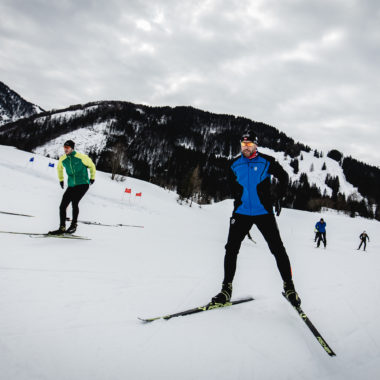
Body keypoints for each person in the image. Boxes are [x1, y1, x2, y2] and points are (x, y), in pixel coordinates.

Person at [210, 132, 301, 307]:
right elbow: (232, 186)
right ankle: (226, 289)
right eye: (243, 146)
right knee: (231, 249)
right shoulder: (234, 165)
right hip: (242, 213)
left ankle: (289, 287)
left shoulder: (266, 161)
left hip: (263, 213)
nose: (246, 149)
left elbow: (284, 177)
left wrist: (278, 197)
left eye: (249, 145)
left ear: (256, 146)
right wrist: (238, 201)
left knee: (277, 249)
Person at [49, 140, 96, 235]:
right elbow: (59, 168)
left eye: (67, 148)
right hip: (71, 185)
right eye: (64, 147)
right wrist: (61, 180)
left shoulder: (81, 157)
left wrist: (92, 178)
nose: (65, 149)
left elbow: (92, 166)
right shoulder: (63, 159)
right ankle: (62, 227)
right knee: (62, 206)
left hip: (83, 183)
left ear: (72, 148)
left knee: (75, 202)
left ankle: (73, 225)